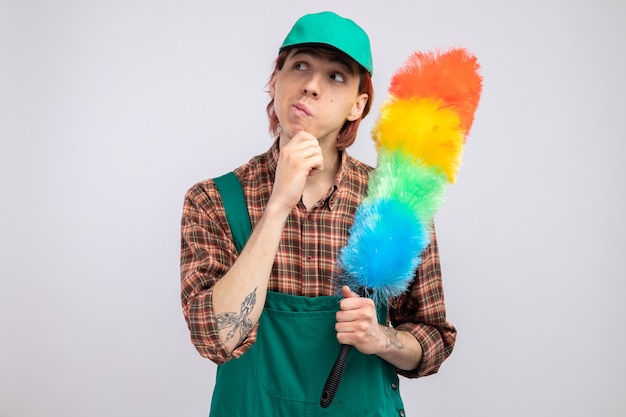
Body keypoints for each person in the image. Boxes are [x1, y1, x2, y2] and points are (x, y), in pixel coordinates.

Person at [180, 11, 456, 416]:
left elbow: (433, 338)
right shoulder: (212, 200)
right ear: (276, 80)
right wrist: (277, 207)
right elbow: (215, 338)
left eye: (336, 77)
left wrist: (381, 338)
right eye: (300, 66)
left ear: (357, 106)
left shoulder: (394, 204)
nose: (310, 85)